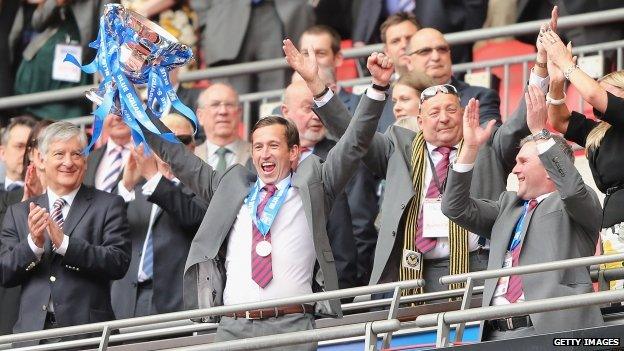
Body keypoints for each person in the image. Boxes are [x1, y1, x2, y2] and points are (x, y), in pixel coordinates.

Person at [138, 51, 392, 350]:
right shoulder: (229, 188)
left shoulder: (316, 184)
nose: (264, 154)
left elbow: (354, 143)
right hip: (232, 328)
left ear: (294, 152)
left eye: (273, 145)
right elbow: (176, 156)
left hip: (292, 327)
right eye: (258, 146)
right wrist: (136, 108)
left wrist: (376, 88)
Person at [285, 37, 534, 294]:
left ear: (462, 114)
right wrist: (320, 84)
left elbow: (519, 123)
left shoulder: (487, 146)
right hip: (410, 273)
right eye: (434, 113)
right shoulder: (398, 149)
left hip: (479, 269)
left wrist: (541, 71)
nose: (444, 118)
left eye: (451, 110)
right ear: (420, 119)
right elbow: (353, 135)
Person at [441, 86, 603, 340]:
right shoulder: (507, 205)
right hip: (495, 333)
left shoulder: (575, 202)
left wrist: (540, 133)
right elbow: (454, 207)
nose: (515, 169)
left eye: (523, 161)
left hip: (555, 329)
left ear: (550, 168)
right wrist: (469, 150)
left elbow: (571, 189)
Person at [0, 121, 131, 344]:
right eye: (59, 154)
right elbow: (4, 273)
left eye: (77, 154)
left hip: (89, 336)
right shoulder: (19, 212)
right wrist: (33, 244)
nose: (68, 162)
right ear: (41, 160)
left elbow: (118, 262)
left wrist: (66, 245)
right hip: (32, 336)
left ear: (86, 161)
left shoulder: (108, 204)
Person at [542, 26, 624, 290]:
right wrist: (556, 82)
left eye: (610, 93)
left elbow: (591, 94)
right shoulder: (600, 132)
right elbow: (559, 119)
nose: (601, 99)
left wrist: (565, 62)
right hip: (613, 225)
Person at [112, 113, 208, 318]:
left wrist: (153, 177)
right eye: (164, 139)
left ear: (192, 146)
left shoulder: (204, 186)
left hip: (176, 304)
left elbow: (193, 219)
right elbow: (105, 229)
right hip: (127, 301)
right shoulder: (135, 187)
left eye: (181, 140)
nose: (173, 146)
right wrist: (126, 185)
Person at [278, 81, 358, 291]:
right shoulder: (266, 162)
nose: (316, 115)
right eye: (308, 108)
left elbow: (358, 224)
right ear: (285, 111)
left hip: (331, 288)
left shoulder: (343, 157)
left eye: (319, 108)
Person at [190, 0, 314, 95]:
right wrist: (205, 23)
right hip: (226, 18)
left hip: (279, 11)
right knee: (233, 99)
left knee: (275, 96)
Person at [404, 27, 501, 126]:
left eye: (442, 49)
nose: (436, 57)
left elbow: (489, 138)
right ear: (408, 62)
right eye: (425, 51)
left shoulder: (479, 98)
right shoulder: (397, 102)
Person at [0, 115, 36, 336]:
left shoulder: (47, 196)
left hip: (26, 302)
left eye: (30, 147)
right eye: (19, 146)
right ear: (2, 152)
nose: (24, 153)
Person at [299, 25, 360, 113]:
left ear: (338, 58)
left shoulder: (359, 106)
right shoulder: (281, 111)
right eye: (306, 53)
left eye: (321, 53)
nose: (313, 60)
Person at [194, 83, 251, 170]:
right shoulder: (189, 158)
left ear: (239, 113)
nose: (223, 111)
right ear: (200, 116)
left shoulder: (258, 154)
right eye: (215, 105)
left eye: (229, 105)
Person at [84, 113, 133, 192]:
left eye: (124, 107)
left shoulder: (152, 153)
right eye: (110, 110)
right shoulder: (90, 159)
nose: (117, 116)